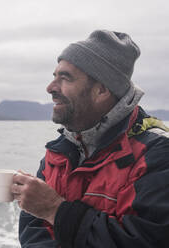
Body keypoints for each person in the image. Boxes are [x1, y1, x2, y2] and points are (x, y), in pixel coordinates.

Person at [11, 30, 169, 248]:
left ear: (101, 90)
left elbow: (144, 239)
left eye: (65, 77)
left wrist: (54, 209)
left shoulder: (158, 153)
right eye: (54, 76)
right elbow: (34, 228)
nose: (50, 88)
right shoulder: (57, 152)